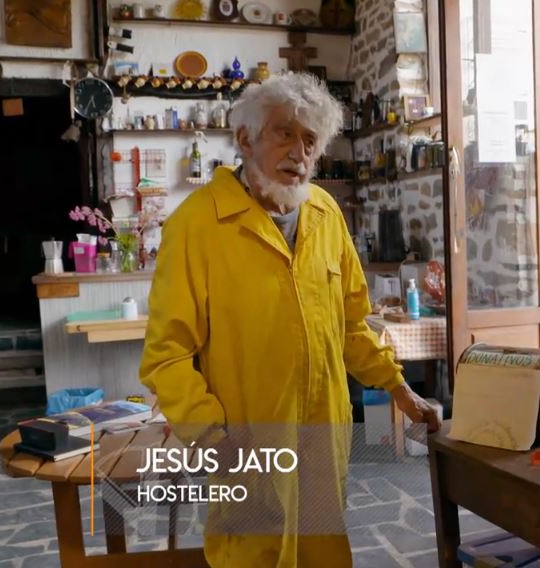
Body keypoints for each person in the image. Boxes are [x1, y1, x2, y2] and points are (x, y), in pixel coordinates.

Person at [139, 73, 441, 568]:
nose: (298, 152)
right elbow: (166, 356)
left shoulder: (325, 214)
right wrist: (214, 438)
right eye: (284, 132)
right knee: (253, 557)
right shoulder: (197, 224)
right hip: (247, 444)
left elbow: (350, 325)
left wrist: (399, 390)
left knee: (323, 553)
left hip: (324, 436)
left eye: (309, 140)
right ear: (245, 139)